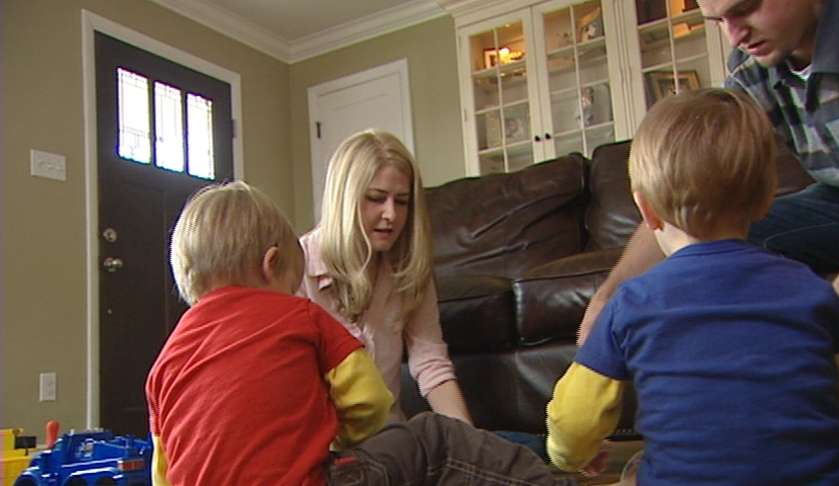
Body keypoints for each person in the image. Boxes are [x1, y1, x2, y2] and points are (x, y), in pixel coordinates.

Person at [146, 181, 579, 485]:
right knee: (433, 438)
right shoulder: (299, 314)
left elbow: (165, 471)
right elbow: (369, 401)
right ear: (271, 264)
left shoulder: (164, 363)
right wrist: (351, 445)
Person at [546, 88, 839, 484]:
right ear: (766, 200)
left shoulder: (632, 301)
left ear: (646, 210)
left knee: (634, 473)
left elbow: (575, 418)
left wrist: (570, 456)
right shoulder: (810, 288)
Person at [579, 0, 839, 344]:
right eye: (719, 21)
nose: (734, 36)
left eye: (745, 9)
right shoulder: (751, 68)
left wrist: (831, 312)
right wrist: (609, 297)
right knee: (712, 234)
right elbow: (689, 190)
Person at [299, 129, 472, 424]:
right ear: (345, 198)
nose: (391, 214)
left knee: (509, 451)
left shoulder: (409, 268)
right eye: (376, 198)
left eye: (402, 202)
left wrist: (471, 443)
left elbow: (431, 363)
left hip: (390, 439)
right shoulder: (297, 268)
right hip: (325, 449)